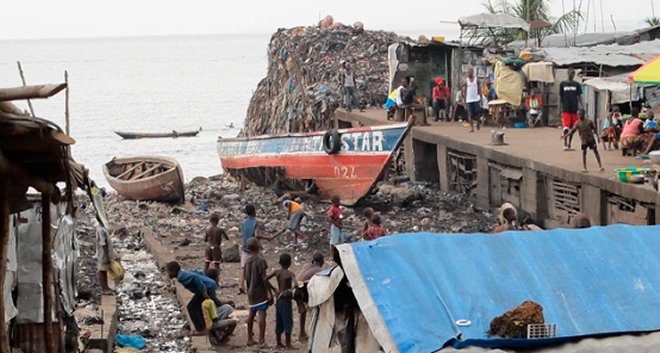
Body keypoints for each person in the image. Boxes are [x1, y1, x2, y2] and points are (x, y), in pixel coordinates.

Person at [166, 261, 221, 334]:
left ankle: (201, 329)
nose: (168, 274)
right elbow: (198, 272)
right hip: (209, 286)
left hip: (207, 288)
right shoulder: (183, 273)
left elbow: (195, 277)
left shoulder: (181, 277)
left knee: (191, 307)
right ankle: (205, 326)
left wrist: (203, 291)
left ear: (173, 271)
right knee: (199, 306)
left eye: (168, 271)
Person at [239, 204, 274, 294]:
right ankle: (264, 284)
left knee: (244, 267)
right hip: (254, 248)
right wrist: (267, 237)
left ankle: (241, 285)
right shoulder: (255, 222)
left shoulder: (243, 222)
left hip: (245, 247)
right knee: (261, 266)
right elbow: (257, 235)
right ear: (254, 211)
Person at [244, 238, 271, 347]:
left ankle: (250, 338)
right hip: (259, 290)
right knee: (262, 315)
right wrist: (269, 292)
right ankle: (261, 340)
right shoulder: (260, 260)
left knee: (251, 314)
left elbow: (246, 277)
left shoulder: (247, 261)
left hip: (250, 290)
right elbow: (264, 278)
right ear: (258, 245)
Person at [266, 254, 296, 349]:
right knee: (288, 321)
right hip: (286, 300)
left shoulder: (277, 272)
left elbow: (265, 279)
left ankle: (278, 342)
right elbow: (296, 284)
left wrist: (273, 289)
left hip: (278, 299)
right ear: (290, 263)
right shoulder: (290, 273)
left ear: (279, 262)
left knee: (279, 320)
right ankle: (288, 344)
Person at [201, 269, 237, 346]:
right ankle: (221, 339)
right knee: (233, 321)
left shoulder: (206, 290)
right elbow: (215, 315)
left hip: (209, 319)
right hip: (211, 323)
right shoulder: (210, 297)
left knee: (228, 308)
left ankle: (220, 332)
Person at [293, 251, 324, 341]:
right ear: (322, 261)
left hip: (296, 288)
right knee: (316, 308)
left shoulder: (307, 266)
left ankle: (302, 333)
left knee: (302, 311)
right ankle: (314, 333)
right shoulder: (319, 270)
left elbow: (300, 281)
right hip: (301, 290)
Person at [559, 68, 582, 151]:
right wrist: (560, 108)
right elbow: (560, 97)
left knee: (572, 129)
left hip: (574, 109)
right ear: (567, 73)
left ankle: (569, 144)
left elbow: (579, 97)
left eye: (573, 74)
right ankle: (565, 144)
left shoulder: (577, 84)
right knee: (566, 128)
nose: (572, 75)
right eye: (571, 73)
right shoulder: (562, 84)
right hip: (566, 109)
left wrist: (581, 107)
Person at [95, 221, 116, 295]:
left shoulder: (102, 228)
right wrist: (107, 254)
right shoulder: (100, 229)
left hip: (104, 253)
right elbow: (103, 243)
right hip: (103, 253)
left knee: (104, 270)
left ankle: (106, 287)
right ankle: (104, 288)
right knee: (102, 270)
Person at [462, 67, 482, 132]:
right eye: (467, 73)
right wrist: (464, 102)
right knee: (470, 115)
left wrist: (481, 99)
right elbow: (464, 92)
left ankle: (478, 122)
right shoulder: (466, 81)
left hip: (476, 99)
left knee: (478, 113)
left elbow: (479, 90)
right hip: (469, 100)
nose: (468, 74)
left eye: (469, 72)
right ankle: (472, 128)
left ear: (472, 72)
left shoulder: (477, 80)